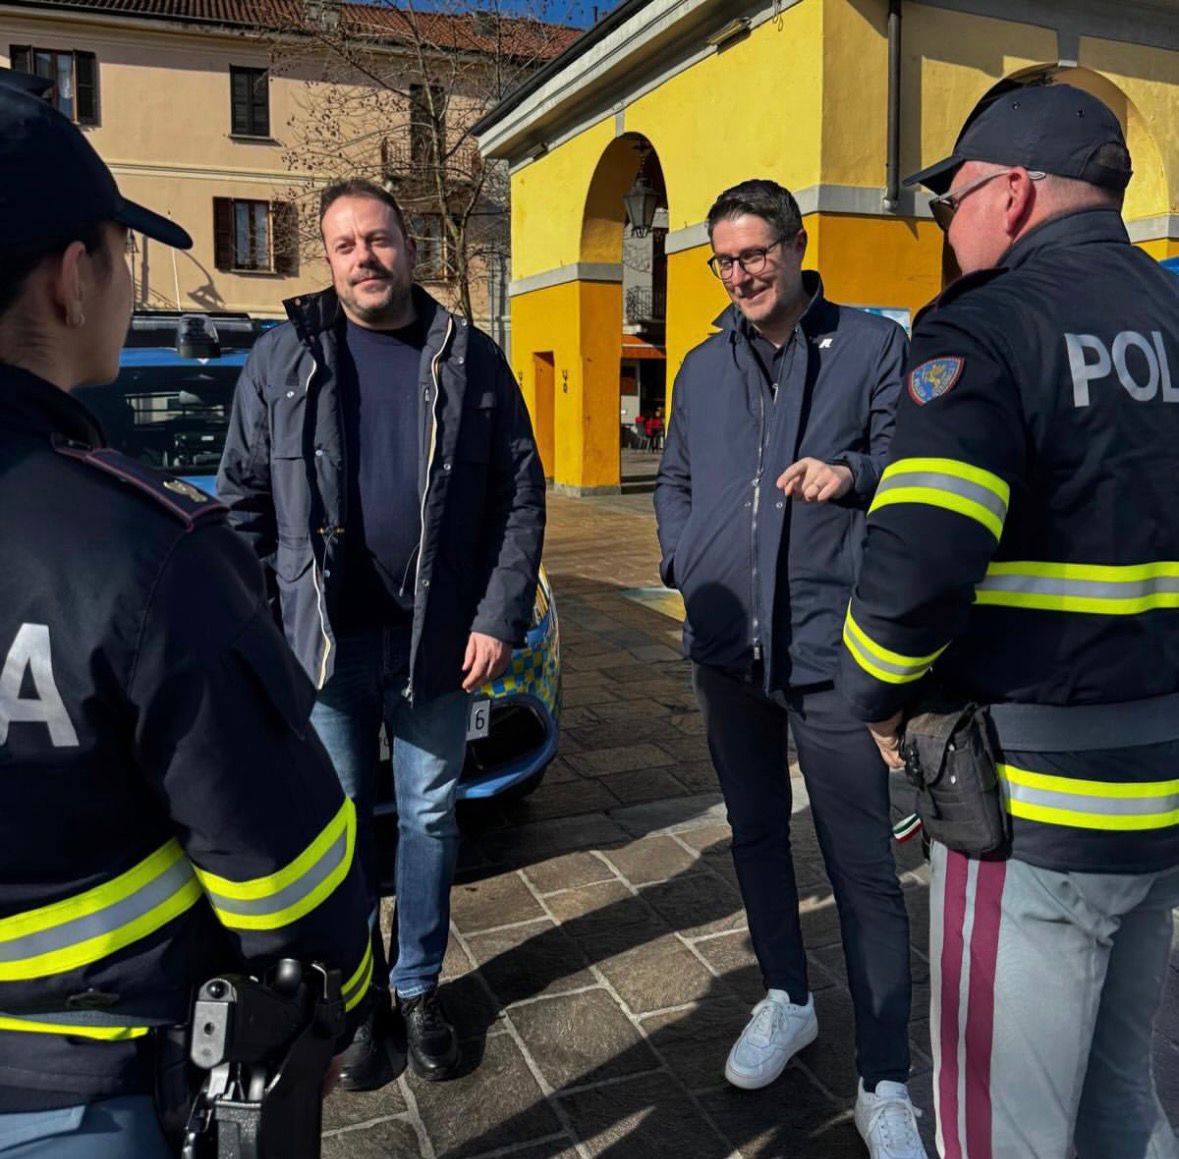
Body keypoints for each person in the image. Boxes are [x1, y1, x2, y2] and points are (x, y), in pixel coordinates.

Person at [0, 69, 372, 1157]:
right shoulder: (141, 548)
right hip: (86, 1083)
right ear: (74, 277)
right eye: (124, 254)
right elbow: (281, 862)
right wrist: (340, 999)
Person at [839, 84, 1179, 1158]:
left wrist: (875, 695)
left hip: (1031, 803)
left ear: (1015, 195)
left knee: (1000, 1130)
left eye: (953, 204)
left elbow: (917, 563)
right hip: (1161, 789)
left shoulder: (986, 326)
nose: (948, 228)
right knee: (1122, 1097)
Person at [218, 178, 546, 1088]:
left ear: (410, 244)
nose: (364, 256)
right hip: (323, 646)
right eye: (345, 244)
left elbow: (519, 495)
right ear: (326, 258)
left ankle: (417, 986)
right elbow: (242, 501)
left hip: (435, 643)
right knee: (342, 827)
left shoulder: (469, 356)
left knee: (431, 815)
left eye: (379, 238)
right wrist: (263, 625)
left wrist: (497, 617)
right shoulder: (282, 357)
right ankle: (358, 998)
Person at [654, 179, 923, 1158]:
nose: (740, 275)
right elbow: (677, 476)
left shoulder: (874, 346)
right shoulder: (700, 366)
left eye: (755, 255)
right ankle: (787, 996)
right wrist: (682, 560)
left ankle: (884, 1077)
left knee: (864, 868)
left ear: (797, 247)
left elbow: (909, 460)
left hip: (828, 650)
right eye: (723, 261)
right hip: (729, 651)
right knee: (758, 836)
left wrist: (850, 473)